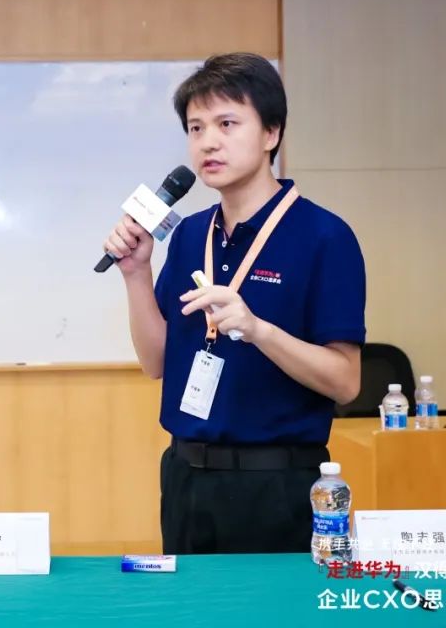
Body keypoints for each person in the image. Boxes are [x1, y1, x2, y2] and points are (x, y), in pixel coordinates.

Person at [102, 53, 366, 554]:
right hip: (186, 476)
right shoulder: (189, 234)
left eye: (226, 124)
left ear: (271, 133)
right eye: (196, 128)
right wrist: (136, 274)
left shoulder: (324, 236)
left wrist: (256, 329)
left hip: (277, 483)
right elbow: (156, 363)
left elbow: (346, 381)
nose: (208, 142)